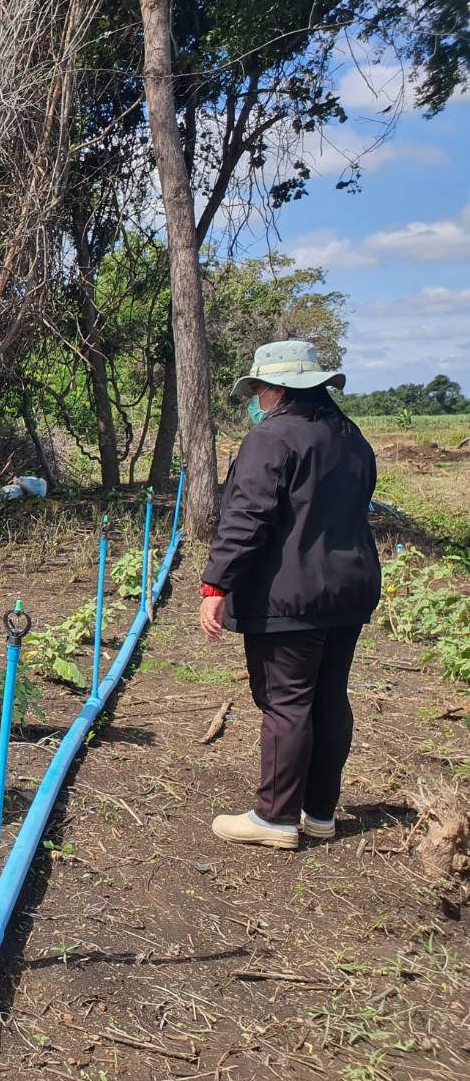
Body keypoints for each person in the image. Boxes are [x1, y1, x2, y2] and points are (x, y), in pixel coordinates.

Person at [199, 339, 381, 851]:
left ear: (278, 389)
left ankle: (275, 817)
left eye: (258, 388)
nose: (256, 397)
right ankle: (318, 812)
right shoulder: (349, 435)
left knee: (286, 701)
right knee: (328, 696)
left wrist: (217, 583)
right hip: (348, 589)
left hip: (290, 595)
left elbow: (246, 516)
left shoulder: (272, 438)